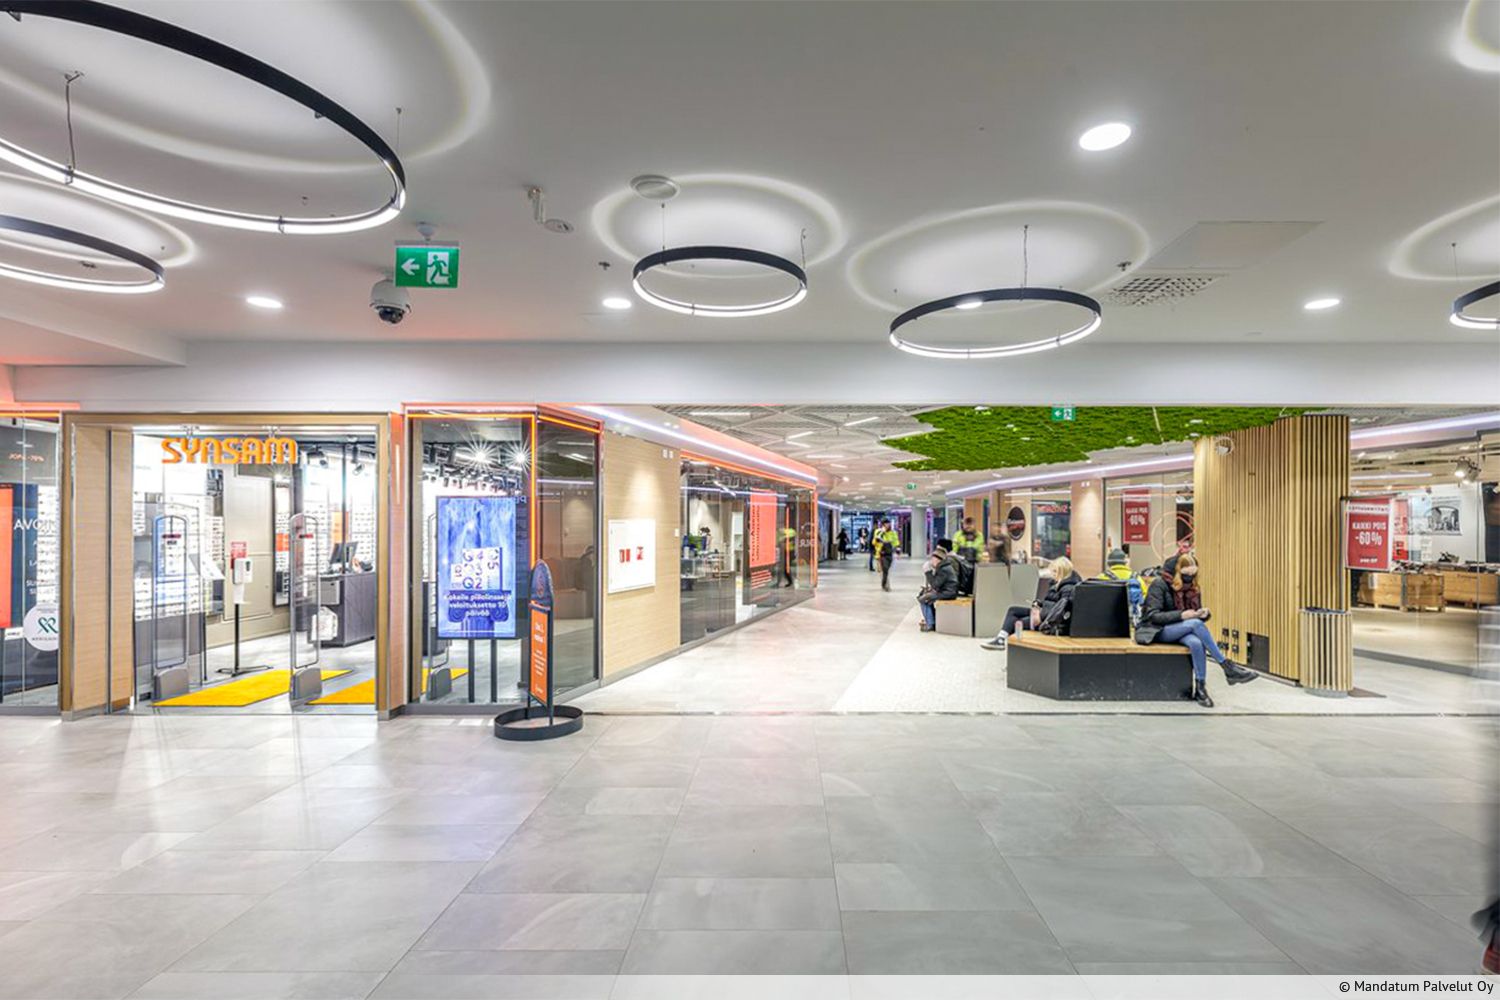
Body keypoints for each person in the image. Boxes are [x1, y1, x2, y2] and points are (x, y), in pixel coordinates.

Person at [1135, 553, 1258, 708]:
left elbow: (1194, 616)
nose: (1190, 578)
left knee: (1196, 643)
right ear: (1177, 571)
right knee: (1195, 624)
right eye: (1186, 574)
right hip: (1156, 630)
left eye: (1193, 574)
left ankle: (1200, 688)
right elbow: (1152, 615)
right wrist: (1182, 615)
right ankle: (1226, 666)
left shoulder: (1192, 587)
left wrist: (1203, 614)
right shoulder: (1159, 584)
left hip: (1181, 628)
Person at [981, 556, 1081, 649]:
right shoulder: (1056, 584)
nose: (1052, 574)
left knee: (1017, 622)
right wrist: (1037, 605)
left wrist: (1040, 615)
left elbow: (1059, 611)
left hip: (1048, 622)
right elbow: (1049, 602)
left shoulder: (1068, 588)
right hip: (1043, 614)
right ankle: (1001, 639)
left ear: (1062, 572)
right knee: (1013, 610)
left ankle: (1002, 641)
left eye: (1055, 571)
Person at [917, 540, 959, 632]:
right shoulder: (943, 566)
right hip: (946, 590)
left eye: (933, 559)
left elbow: (935, 584)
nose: (931, 561)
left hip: (948, 593)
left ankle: (930, 624)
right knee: (925, 596)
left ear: (938, 559)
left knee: (923, 599)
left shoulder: (944, 569)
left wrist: (928, 572)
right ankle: (932, 620)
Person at [874, 519, 899, 591]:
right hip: (881, 554)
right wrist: (882, 532)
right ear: (883, 525)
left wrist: (898, 551)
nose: (887, 525)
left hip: (889, 553)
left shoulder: (893, 533)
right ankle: (885, 585)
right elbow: (875, 541)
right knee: (885, 569)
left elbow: (896, 542)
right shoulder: (878, 531)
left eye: (888, 523)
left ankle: (884, 583)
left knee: (886, 570)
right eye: (886, 524)